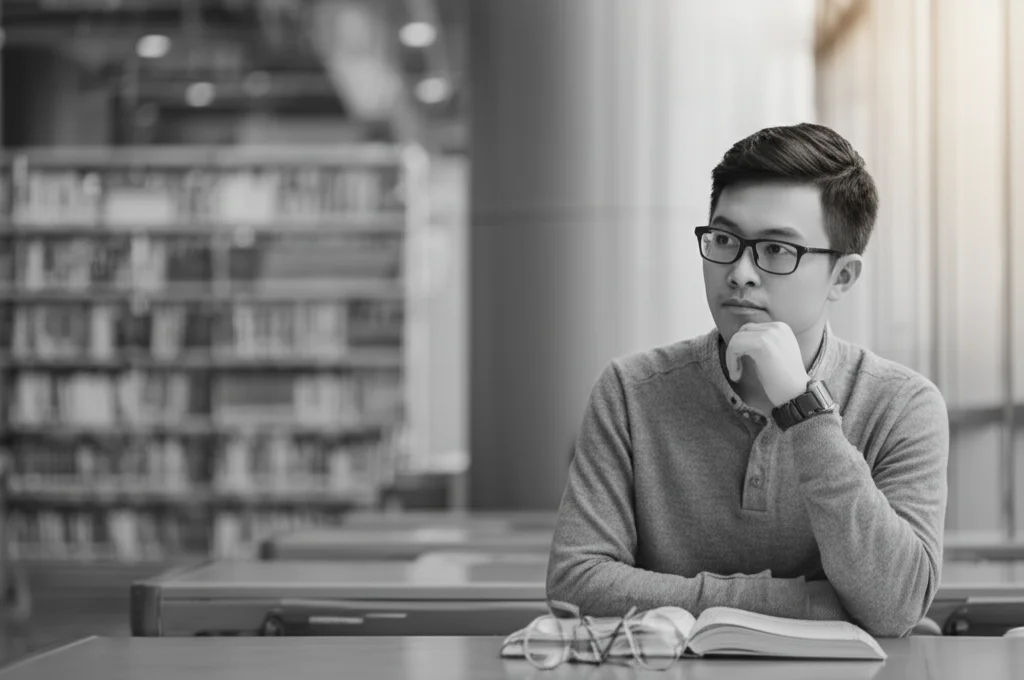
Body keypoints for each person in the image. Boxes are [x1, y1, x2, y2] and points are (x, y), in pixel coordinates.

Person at [546, 123, 949, 638]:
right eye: (725, 239)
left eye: (777, 250)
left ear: (842, 277)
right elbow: (574, 584)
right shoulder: (631, 390)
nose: (739, 272)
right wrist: (815, 604)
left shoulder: (902, 404)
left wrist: (804, 409)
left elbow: (894, 604)